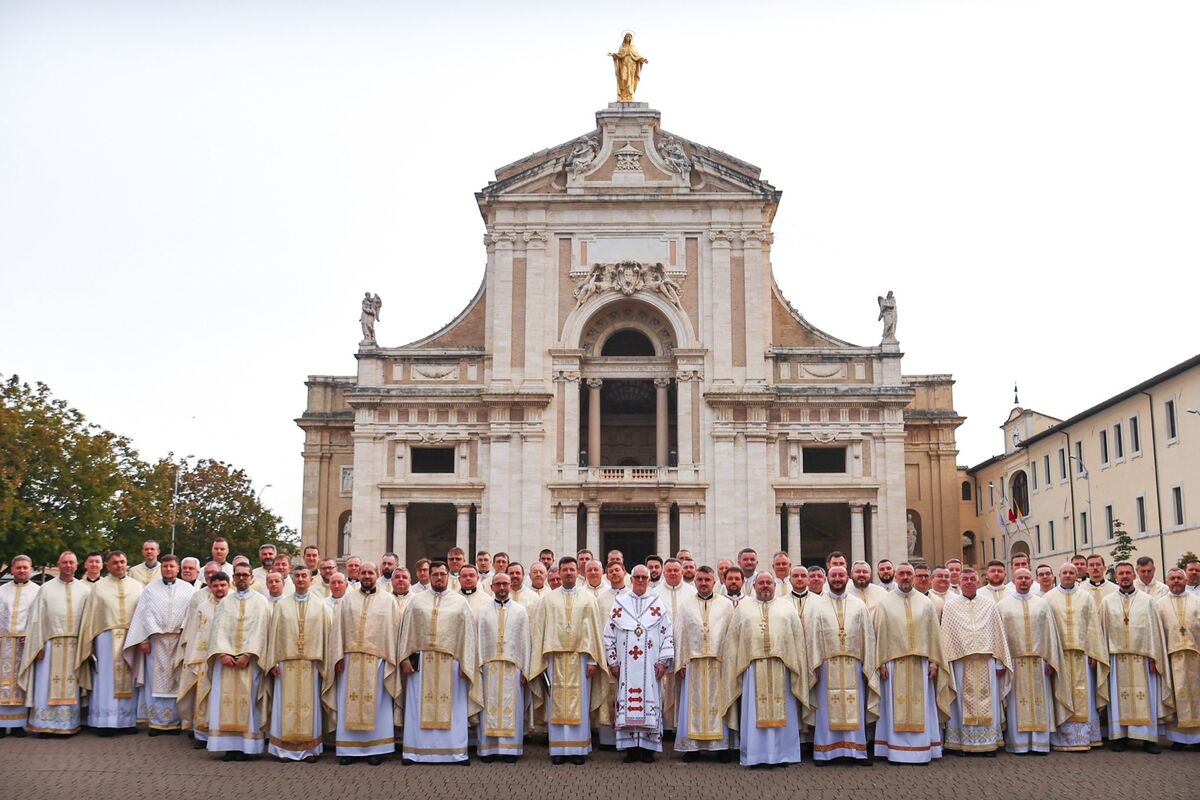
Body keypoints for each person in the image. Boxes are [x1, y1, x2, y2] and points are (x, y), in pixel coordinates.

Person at [721, 572, 811, 766]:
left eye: (768, 582)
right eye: (761, 582)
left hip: (782, 667)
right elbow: (733, 644)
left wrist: (798, 666)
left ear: (775, 585)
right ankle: (756, 755)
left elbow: (797, 641)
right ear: (753, 586)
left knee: (784, 710)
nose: (765, 586)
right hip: (753, 669)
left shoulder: (787, 608)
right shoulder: (743, 609)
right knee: (753, 713)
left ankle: (783, 754)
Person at [397, 561, 480, 764]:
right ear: (429, 576)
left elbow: (468, 636)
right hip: (421, 664)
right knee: (418, 707)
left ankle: (455, 752)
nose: (439, 578)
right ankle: (414, 752)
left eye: (442, 574)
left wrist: (466, 664)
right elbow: (406, 633)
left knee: (453, 708)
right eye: (435, 574)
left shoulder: (460, 603)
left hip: (452, 664)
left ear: (448, 576)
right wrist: (405, 659)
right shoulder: (416, 602)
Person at [872, 563, 953, 764]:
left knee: (922, 707)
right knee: (893, 708)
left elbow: (934, 635)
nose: (906, 577)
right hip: (893, 664)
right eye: (902, 574)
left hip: (921, 664)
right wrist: (880, 662)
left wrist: (935, 662)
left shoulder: (926, 604)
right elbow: (879, 634)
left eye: (909, 574)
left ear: (914, 577)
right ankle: (894, 751)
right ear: (896, 577)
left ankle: (922, 750)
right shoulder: (885, 603)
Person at [529, 556, 606, 765]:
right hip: (555, 659)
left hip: (580, 659)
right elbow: (541, 631)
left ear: (577, 572)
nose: (569, 573)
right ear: (559, 573)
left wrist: (592, 661)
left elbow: (594, 631)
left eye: (572, 569)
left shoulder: (588, 598)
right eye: (565, 570)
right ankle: (559, 749)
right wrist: (542, 661)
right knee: (557, 703)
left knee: (579, 704)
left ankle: (578, 749)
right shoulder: (548, 599)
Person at [807, 564, 878, 765]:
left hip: (854, 665)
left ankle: (857, 751)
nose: (837, 579)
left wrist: (868, 665)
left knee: (854, 706)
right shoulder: (817, 605)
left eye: (841, 575)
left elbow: (867, 637)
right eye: (834, 575)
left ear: (847, 578)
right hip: (826, 666)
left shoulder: (858, 605)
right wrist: (815, 665)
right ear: (828, 578)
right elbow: (811, 637)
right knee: (826, 708)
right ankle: (825, 752)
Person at [329, 561, 398, 766]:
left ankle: (376, 749)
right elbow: (338, 629)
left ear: (377, 575)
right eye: (363, 573)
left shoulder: (388, 601)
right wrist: (338, 656)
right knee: (348, 702)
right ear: (358, 575)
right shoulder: (347, 600)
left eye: (370, 572)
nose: (367, 576)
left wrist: (389, 659)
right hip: (350, 661)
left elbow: (393, 630)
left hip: (377, 660)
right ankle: (348, 750)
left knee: (376, 705)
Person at [603, 565, 674, 763]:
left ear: (649, 580)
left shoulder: (657, 603)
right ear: (631, 579)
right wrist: (613, 661)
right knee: (627, 705)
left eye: (644, 577)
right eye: (637, 577)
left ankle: (648, 749)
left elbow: (667, 633)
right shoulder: (620, 603)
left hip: (651, 667)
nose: (641, 581)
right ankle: (630, 749)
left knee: (650, 704)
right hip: (625, 668)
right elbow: (608, 634)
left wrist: (663, 662)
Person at [997, 568, 1071, 754]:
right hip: (1015, 663)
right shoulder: (1002, 606)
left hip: (1039, 663)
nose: (1023, 581)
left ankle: (1039, 744)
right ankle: (1019, 744)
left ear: (1032, 581)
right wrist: (1001, 662)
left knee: (1040, 703)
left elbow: (1050, 635)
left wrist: (1051, 661)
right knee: (1016, 704)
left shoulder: (1042, 604)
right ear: (1013, 581)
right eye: (1020, 578)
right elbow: (999, 637)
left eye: (1027, 578)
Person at [1100, 561, 1171, 753]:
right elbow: (1103, 632)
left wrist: (1155, 657)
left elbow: (1154, 631)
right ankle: (1120, 737)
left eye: (1127, 573)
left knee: (1146, 698)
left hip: (1143, 658)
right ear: (1116, 577)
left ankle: (1148, 739)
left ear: (1134, 576)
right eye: (1121, 574)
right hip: (1116, 658)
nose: (1124, 577)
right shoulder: (1107, 602)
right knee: (1118, 698)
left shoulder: (1147, 600)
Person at [202, 562, 271, 760]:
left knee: (248, 703)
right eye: (238, 575)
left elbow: (262, 631)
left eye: (244, 575)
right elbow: (217, 631)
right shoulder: (225, 602)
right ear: (233, 577)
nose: (241, 578)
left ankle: (247, 747)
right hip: (225, 662)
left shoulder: (261, 601)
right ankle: (229, 746)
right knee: (224, 702)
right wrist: (223, 654)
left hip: (249, 662)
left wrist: (248, 654)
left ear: (251, 577)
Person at [940, 567, 1012, 756]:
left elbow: (997, 634)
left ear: (978, 582)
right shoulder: (951, 606)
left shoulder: (989, 605)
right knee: (961, 703)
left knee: (989, 702)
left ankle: (989, 743)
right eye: (966, 579)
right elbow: (947, 637)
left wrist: (999, 662)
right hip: (960, 662)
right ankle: (960, 743)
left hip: (987, 662)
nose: (970, 582)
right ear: (960, 582)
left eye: (973, 579)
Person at [264, 565, 333, 762]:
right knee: (284, 707)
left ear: (311, 579)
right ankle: (283, 749)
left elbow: (326, 637)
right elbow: (274, 636)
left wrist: (324, 663)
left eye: (305, 576)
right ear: (291, 580)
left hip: (310, 666)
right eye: (297, 576)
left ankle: (310, 750)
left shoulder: (320, 606)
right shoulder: (282, 606)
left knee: (309, 708)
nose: (301, 579)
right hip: (286, 664)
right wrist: (272, 662)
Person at [18, 551, 88, 736]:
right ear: (58, 565)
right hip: (50, 645)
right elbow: (37, 619)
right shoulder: (46, 589)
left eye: (71, 562)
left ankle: (68, 725)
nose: (67, 566)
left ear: (76, 565)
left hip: (75, 645)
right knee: (45, 685)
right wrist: (37, 644)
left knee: (72, 685)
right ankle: (43, 725)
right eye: (64, 562)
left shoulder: (84, 590)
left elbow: (89, 621)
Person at [124, 554, 195, 734]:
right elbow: (144, 614)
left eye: (171, 566)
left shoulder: (188, 589)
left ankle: (176, 722)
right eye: (165, 566)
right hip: (156, 641)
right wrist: (145, 638)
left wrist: (184, 631)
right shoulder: (150, 589)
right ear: (161, 568)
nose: (168, 569)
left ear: (177, 568)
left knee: (177, 679)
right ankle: (155, 722)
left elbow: (191, 613)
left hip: (179, 641)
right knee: (153, 682)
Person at [1044, 561, 1109, 752]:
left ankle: (1086, 737)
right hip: (1060, 657)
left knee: (1084, 696)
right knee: (1061, 695)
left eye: (1071, 572)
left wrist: (1094, 652)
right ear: (1059, 574)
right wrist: (1049, 657)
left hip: (1082, 656)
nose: (1068, 575)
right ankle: (1062, 739)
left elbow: (1093, 626)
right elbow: (1047, 629)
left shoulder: (1086, 597)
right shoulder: (1049, 598)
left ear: (1076, 575)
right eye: (1064, 572)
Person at [76, 550, 144, 734]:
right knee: (106, 680)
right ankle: (104, 722)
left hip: (131, 638)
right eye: (115, 562)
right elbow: (91, 616)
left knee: (130, 679)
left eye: (122, 561)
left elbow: (142, 614)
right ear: (107, 565)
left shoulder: (138, 587)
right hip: (105, 638)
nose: (120, 565)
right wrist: (89, 643)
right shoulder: (99, 587)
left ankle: (127, 721)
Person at [673, 565, 735, 761]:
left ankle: (721, 747)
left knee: (719, 703)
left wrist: (729, 662)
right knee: (693, 705)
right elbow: (679, 633)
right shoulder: (686, 604)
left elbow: (731, 634)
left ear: (714, 582)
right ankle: (692, 748)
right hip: (693, 663)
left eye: (707, 580)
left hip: (719, 664)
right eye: (700, 580)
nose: (703, 583)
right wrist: (680, 663)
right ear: (695, 581)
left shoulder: (725, 605)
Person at [475, 572, 532, 762]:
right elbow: (478, 639)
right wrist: (478, 664)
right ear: (491, 587)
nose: (501, 588)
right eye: (498, 584)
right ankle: (488, 750)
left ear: (510, 586)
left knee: (511, 707)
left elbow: (525, 640)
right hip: (489, 666)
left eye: (505, 584)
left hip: (513, 666)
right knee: (488, 707)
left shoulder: (520, 611)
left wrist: (526, 668)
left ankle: (510, 750)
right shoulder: (482, 611)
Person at [177, 565, 227, 744]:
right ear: (210, 587)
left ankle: (220, 732)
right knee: (203, 694)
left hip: (224, 659)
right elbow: (193, 631)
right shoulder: (202, 607)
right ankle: (201, 734)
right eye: (215, 586)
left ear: (228, 586)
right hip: (202, 657)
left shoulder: (232, 605)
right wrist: (191, 656)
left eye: (222, 586)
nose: (219, 589)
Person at [1155, 567, 1200, 748]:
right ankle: (1178, 739)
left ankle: (1198, 738)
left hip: (1195, 656)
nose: (1176, 581)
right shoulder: (1159, 604)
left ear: (1185, 580)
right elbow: (1157, 633)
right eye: (1172, 578)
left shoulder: (1197, 601)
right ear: (1167, 582)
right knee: (1175, 694)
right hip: (1171, 658)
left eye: (1179, 578)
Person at [0, 555, 38, 735]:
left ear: (30, 569)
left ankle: (17, 725)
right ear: (12, 569)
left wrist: (32, 638)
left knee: (21, 683)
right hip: (4, 642)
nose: (22, 570)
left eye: (25, 567)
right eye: (18, 567)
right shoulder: (2, 590)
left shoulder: (38, 591)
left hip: (26, 643)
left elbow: (38, 618)